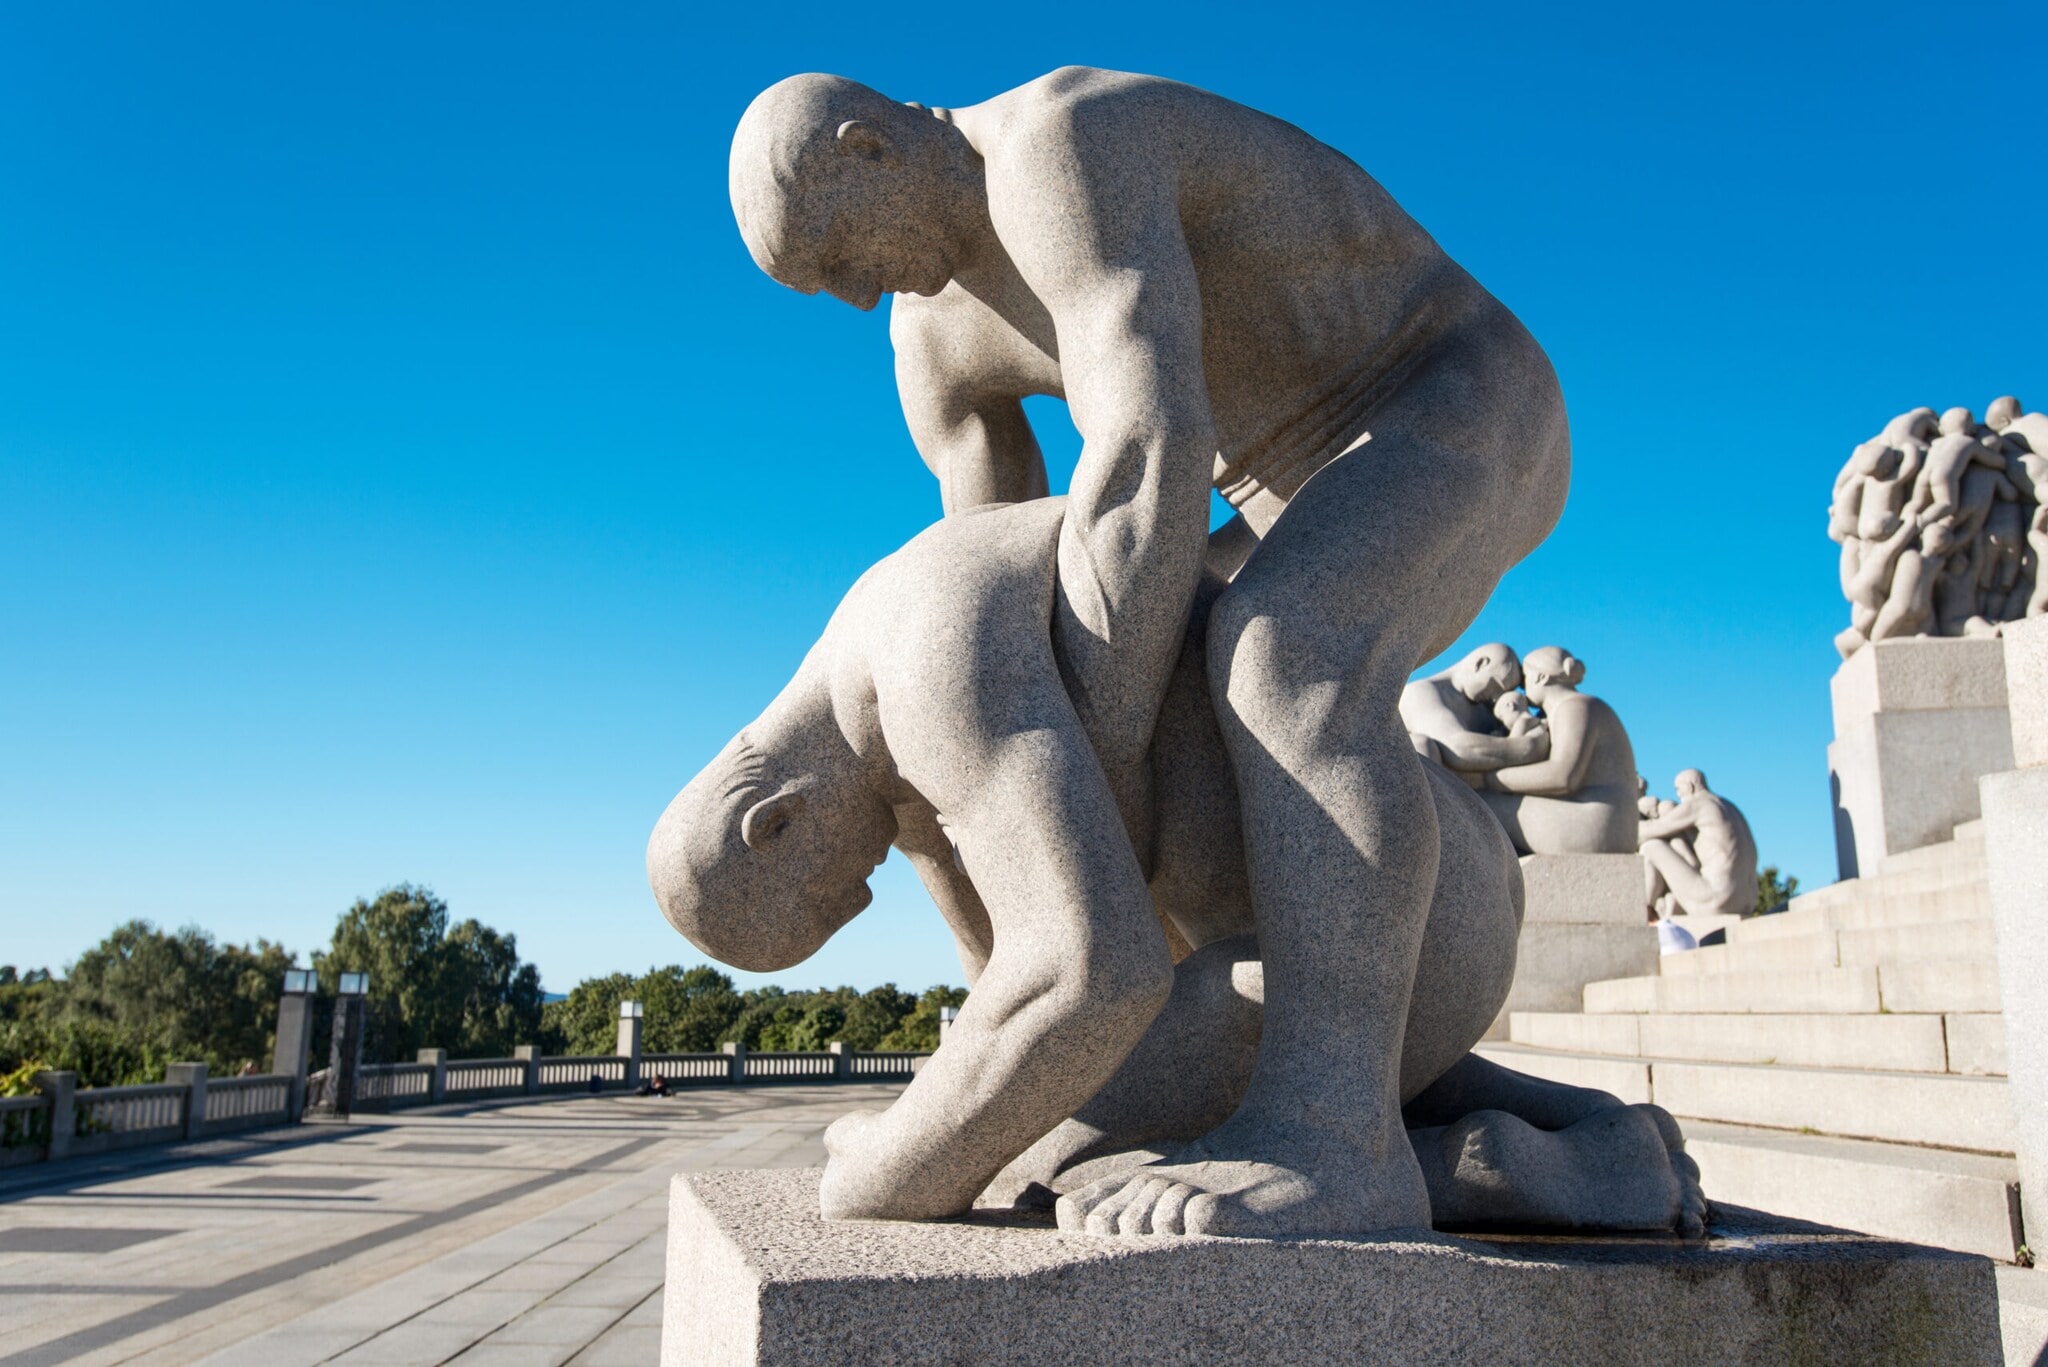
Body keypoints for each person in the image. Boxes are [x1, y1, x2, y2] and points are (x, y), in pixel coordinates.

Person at [728, 67, 1572, 1237]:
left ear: (872, 146)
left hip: (1443, 398)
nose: (851, 298)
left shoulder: (1059, 150)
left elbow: (1147, 450)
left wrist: (1099, 781)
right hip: (1269, 495)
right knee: (1191, 690)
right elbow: (998, 602)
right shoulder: (930, 343)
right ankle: (1547, 1141)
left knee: (1285, 657)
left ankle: (1334, 1134)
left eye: (836, 254)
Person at [648, 499, 1701, 1236]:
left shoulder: (926, 659)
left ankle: (1490, 1171)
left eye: (834, 895)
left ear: (774, 824)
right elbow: (1003, 1003)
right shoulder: (885, 696)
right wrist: (938, 1126)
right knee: (1038, 1127)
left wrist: (884, 1172)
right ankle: (1590, 1139)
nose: (864, 889)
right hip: (1394, 907)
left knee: (1044, 1164)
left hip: (1393, 903)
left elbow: (1087, 974)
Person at [1477, 646, 1639, 854]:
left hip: (1594, 825)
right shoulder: (1572, 707)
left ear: (1541, 677)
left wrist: (1490, 779)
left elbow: (1563, 776)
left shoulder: (1574, 706)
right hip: (1607, 824)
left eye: (1525, 677)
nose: (1523, 689)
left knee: (1475, 803)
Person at [1398, 644, 1547, 785]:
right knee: (1421, 745)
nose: (1497, 698)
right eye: (1497, 686)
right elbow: (1458, 748)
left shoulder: (1485, 707)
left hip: (1475, 792)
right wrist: (1528, 747)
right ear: (1481, 664)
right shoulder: (1420, 692)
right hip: (1434, 789)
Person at [1639, 770, 1758, 919]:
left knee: (1651, 847)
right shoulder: (1730, 807)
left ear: (1689, 787)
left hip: (1717, 899)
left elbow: (1650, 831)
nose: (1678, 795)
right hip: (1747, 901)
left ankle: (1644, 912)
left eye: (1678, 789)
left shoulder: (1698, 804)